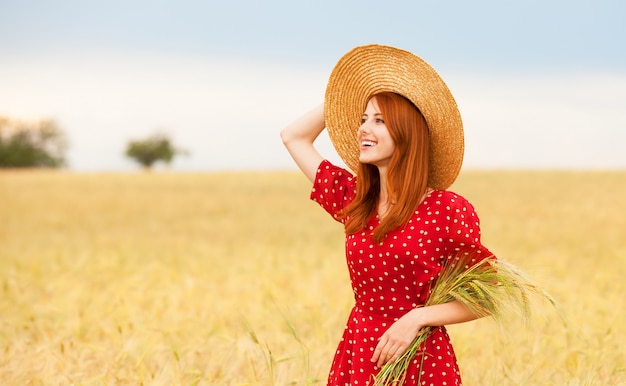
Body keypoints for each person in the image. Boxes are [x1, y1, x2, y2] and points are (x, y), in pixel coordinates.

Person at [280, 44, 495, 386]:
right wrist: (343, 96)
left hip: (419, 358)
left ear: (408, 133)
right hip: (359, 354)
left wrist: (417, 318)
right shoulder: (356, 199)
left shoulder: (446, 210)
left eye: (380, 121)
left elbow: (485, 297)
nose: (364, 128)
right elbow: (293, 136)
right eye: (363, 119)